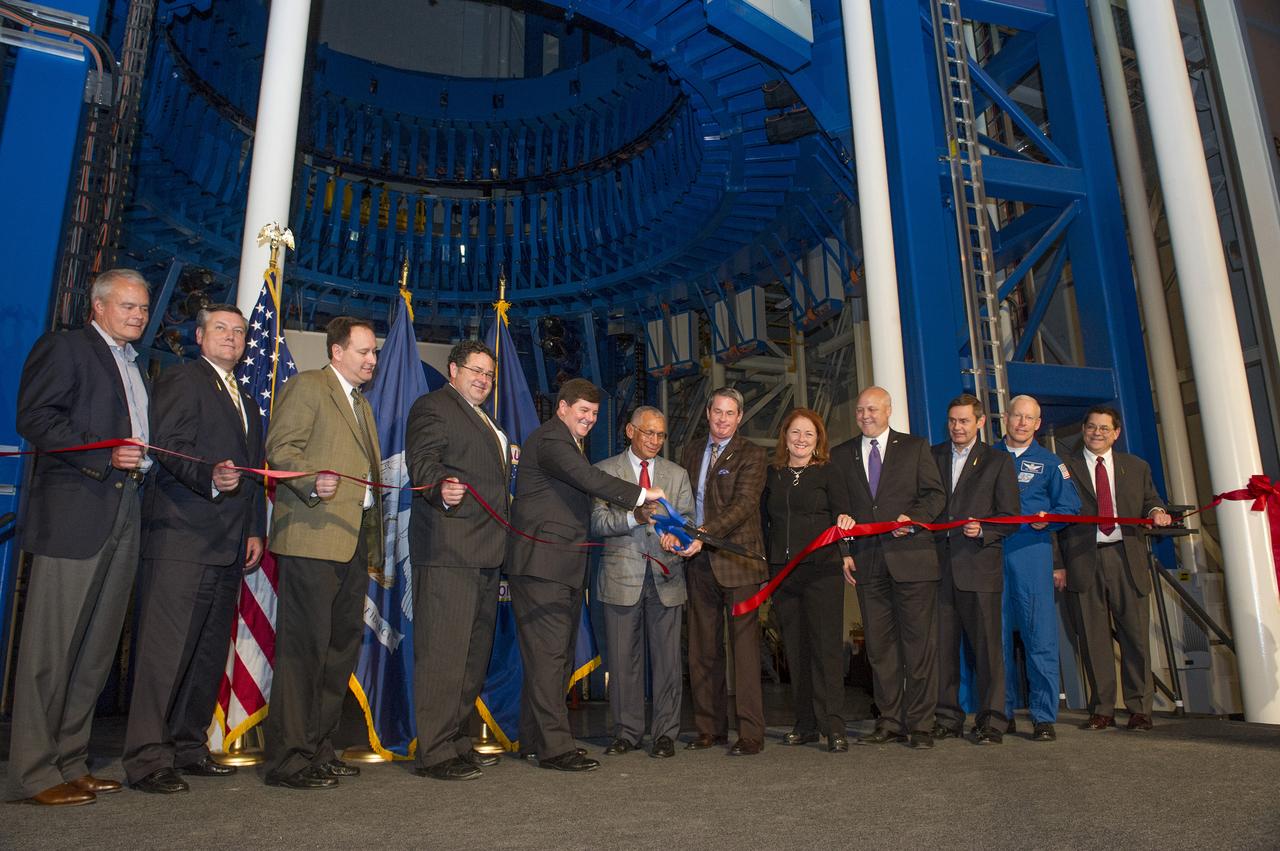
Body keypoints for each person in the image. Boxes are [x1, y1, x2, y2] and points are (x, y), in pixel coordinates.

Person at [6, 269, 152, 806]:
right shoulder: (66, 348)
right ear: (98, 306)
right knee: (52, 649)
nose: (138, 315)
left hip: (126, 506)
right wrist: (103, 453)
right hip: (76, 513)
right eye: (128, 306)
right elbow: (34, 417)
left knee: (95, 649)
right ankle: (34, 772)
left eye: (143, 307)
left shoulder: (134, 364)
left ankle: (71, 759)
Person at [123, 304, 264, 794]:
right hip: (182, 537)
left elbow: (252, 472)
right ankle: (146, 757)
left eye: (239, 331)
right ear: (200, 336)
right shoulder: (183, 381)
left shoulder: (247, 400)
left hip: (229, 543)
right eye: (221, 329)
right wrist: (209, 477)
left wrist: (254, 529)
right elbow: (169, 445)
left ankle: (187, 746)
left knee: (207, 652)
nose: (231, 337)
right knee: (165, 654)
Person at [506, 379, 665, 772]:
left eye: (594, 413)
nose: (590, 419)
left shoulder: (565, 442)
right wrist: (641, 494)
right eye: (583, 411)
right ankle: (556, 749)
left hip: (558, 566)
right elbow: (590, 479)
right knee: (550, 658)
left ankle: (533, 739)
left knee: (551, 658)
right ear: (562, 408)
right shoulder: (552, 440)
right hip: (544, 566)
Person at [262, 316, 384, 790]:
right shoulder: (309, 387)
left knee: (337, 652)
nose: (372, 360)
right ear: (336, 351)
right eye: (363, 351)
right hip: (312, 540)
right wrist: (313, 481)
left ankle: (319, 749)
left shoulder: (362, 404)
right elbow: (281, 449)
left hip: (351, 543)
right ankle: (288, 760)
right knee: (304, 652)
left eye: (374, 352)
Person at [406, 340, 510, 782]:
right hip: (449, 551)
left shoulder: (486, 419)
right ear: (453, 369)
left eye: (489, 374)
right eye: (476, 371)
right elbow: (423, 463)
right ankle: (433, 752)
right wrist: (441, 488)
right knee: (443, 656)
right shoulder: (433, 407)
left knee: (470, 658)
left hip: (486, 554)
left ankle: (455, 742)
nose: (484, 380)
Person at [830, 386, 946, 749]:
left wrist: (914, 518)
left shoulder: (915, 447)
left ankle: (922, 724)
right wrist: (844, 550)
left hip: (913, 560)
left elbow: (935, 495)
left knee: (919, 646)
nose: (865, 415)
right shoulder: (841, 454)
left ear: (888, 410)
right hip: (867, 562)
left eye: (873, 409)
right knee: (880, 649)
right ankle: (890, 720)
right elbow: (839, 509)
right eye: (860, 410)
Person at [590, 406, 693, 760]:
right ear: (630, 431)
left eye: (661, 435)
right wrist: (635, 517)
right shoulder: (604, 471)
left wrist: (680, 539)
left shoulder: (677, 474)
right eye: (649, 432)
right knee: (622, 662)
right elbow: (598, 523)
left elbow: (688, 521)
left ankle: (665, 734)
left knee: (668, 663)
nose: (655, 440)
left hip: (667, 577)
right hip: (621, 578)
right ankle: (626, 732)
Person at [1060, 405, 1171, 731]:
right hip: (1083, 560)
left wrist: (1156, 512)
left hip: (1127, 558)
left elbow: (1152, 500)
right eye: (1091, 427)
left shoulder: (1136, 467)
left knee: (1136, 638)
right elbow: (1053, 519)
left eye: (1104, 428)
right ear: (1083, 430)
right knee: (1093, 639)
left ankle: (1140, 709)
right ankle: (1102, 709)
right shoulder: (1064, 468)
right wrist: (1057, 565)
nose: (1097, 433)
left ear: (1116, 433)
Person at [678, 387, 769, 756]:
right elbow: (683, 502)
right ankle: (709, 729)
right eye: (717, 411)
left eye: (730, 413)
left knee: (744, 652)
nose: (722, 419)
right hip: (697, 562)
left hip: (738, 562)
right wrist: (676, 532)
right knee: (702, 649)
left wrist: (703, 534)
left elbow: (743, 506)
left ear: (739, 417)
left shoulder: (753, 454)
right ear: (708, 413)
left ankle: (750, 734)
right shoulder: (690, 451)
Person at [763, 408, 855, 753]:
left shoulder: (829, 472)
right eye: (795, 433)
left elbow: (843, 517)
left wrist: (846, 552)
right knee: (796, 650)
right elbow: (765, 522)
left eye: (809, 434)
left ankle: (834, 726)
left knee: (826, 650)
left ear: (818, 441)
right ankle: (805, 725)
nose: (801, 439)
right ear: (785, 437)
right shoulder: (772, 474)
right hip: (784, 573)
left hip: (822, 570)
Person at [930, 394, 1020, 744]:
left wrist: (985, 530)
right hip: (939, 569)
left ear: (981, 422)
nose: (957, 427)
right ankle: (947, 717)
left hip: (979, 568)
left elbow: (1011, 517)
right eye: (953, 421)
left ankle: (992, 720)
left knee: (987, 650)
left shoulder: (998, 461)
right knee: (942, 649)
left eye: (964, 421)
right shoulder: (933, 455)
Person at [995, 395, 1080, 741]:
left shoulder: (1050, 462)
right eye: (1017, 416)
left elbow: (1070, 507)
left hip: (1032, 553)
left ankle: (1043, 716)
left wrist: (1051, 519)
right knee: (995, 638)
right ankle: (1000, 713)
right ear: (1006, 417)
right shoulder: (985, 458)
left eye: (1029, 418)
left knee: (1039, 636)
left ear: (1037, 423)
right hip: (989, 555)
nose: (1022, 423)